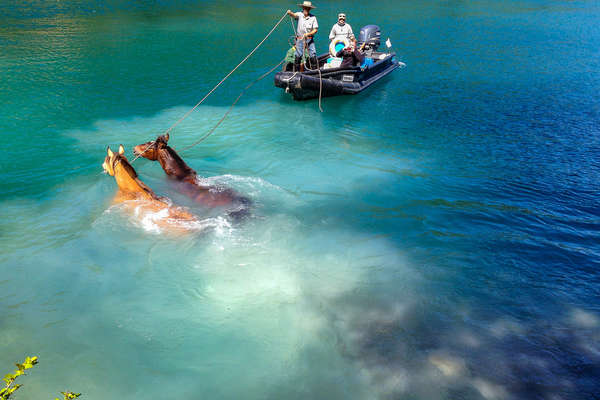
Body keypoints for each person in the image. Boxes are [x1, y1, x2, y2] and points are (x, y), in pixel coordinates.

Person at [286, 1, 319, 70]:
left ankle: (314, 71)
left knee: (313, 55)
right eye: (305, 8)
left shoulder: (313, 18)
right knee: (298, 55)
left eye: (308, 8)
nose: (306, 9)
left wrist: (308, 34)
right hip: (300, 39)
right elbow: (294, 15)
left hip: (309, 39)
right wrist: (290, 13)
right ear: (303, 8)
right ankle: (297, 72)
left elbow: (315, 30)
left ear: (309, 9)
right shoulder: (299, 14)